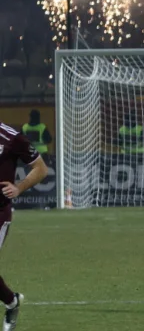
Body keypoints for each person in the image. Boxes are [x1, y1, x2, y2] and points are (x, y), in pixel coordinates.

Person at [0, 119, 50, 329]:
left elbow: (41, 168)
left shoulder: (11, 137)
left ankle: (11, 303)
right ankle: (12, 301)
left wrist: (19, 188)